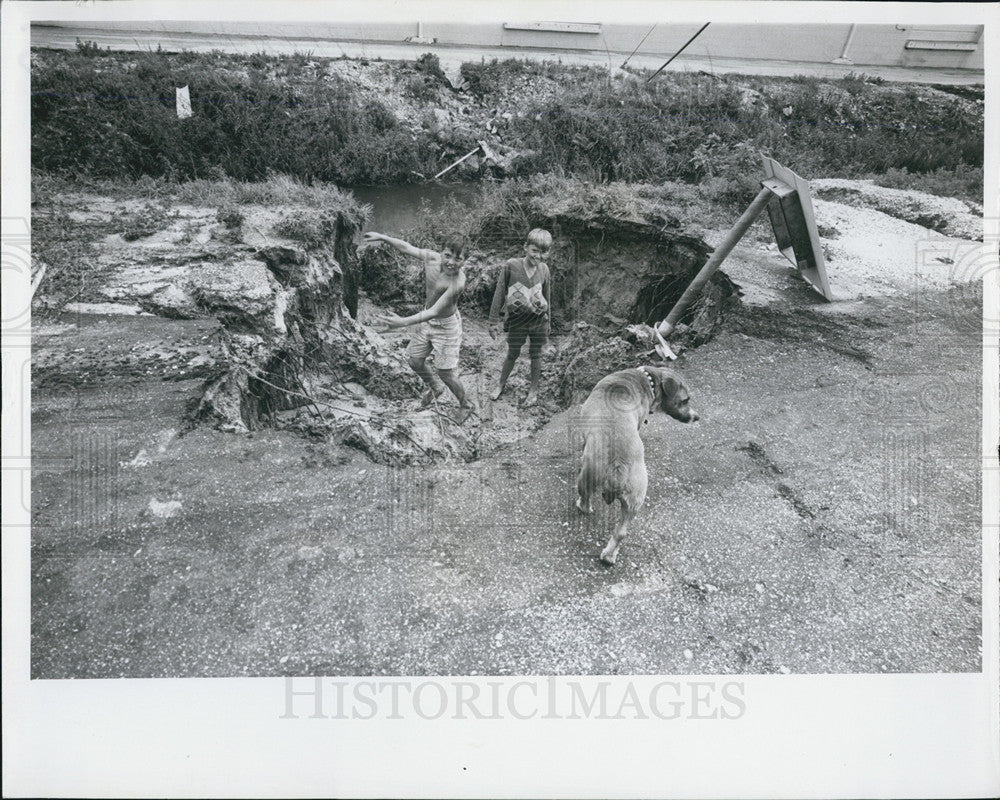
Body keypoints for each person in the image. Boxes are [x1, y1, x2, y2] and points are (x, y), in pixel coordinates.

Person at [363, 231, 475, 421]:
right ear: (441, 252)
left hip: (446, 326)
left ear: (465, 261)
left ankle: (466, 404)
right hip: (427, 320)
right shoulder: (431, 259)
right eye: (448, 255)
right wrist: (384, 237)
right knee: (414, 361)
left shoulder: (458, 283)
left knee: (445, 372)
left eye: (458, 259)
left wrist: (402, 322)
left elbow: (434, 312)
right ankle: (435, 387)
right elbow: (406, 247)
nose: (451, 262)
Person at [489, 228, 553, 407]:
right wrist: (493, 321)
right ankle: (501, 383)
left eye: (544, 252)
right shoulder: (511, 266)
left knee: (536, 355)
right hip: (517, 321)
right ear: (525, 247)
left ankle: (533, 391)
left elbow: (547, 296)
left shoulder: (544, 269)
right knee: (512, 353)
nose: (538, 256)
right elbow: (499, 292)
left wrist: (548, 318)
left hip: (538, 321)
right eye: (535, 251)